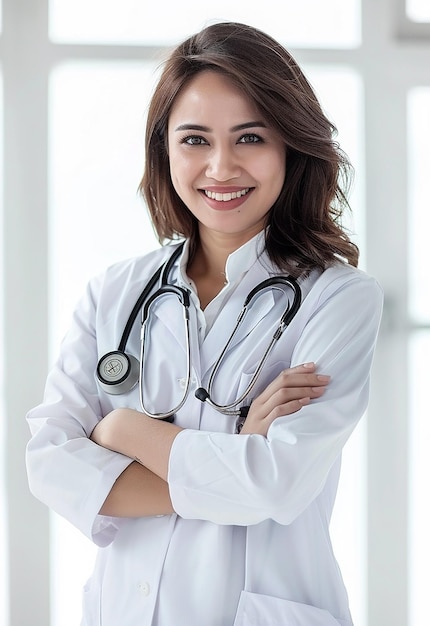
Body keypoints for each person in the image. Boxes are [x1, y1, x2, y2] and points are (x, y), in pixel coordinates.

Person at [26, 21, 383, 626]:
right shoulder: (115, 291)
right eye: (195, 139)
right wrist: (236, 463)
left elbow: (280, 485)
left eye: (249, 137)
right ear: (164, 149)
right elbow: (49, 464)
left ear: (291, 148)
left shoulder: (337, 298)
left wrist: (123, 431)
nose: (221, 166)